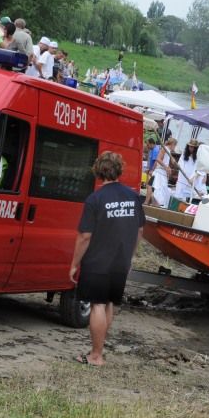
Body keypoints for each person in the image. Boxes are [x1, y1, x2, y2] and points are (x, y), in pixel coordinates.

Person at [69, 151, 145, 367]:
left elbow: (85, 236)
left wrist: (74, 264)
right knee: (109, 303)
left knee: (97, 305)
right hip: (121, 261)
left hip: (98, 261)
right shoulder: (133, 197)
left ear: (98, 171)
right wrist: (130, 256)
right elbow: (140, 230)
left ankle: (95, 356)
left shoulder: (95, 199)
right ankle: (98, 350)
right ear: (119, 170)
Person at [146, 137, 177, 206]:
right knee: (158, 189)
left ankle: (155, 204)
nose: (175, 147)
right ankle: (154, 203)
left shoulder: (168, 151)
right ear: (173, 144)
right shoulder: (165, 149)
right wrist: (166, 167)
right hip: (160, 172)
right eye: (175, 146)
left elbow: (164, 161)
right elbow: (158, 159)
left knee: (161, 189)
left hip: (162, 172)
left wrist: (168, 168)